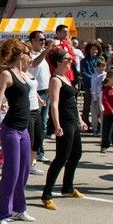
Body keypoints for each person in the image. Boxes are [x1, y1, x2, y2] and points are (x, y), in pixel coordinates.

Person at [0, 38, 32, 224]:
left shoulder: (22, 73)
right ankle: (0, 216)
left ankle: (18, 209)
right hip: (11, 129)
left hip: (24, 129)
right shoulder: (6, 74)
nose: (28, 55)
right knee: (11, 172)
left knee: (24, 170)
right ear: (19, 54)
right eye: (26, 52)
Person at [42, 47, 88, 208]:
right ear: (59, 62)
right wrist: (56, 125)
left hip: (73, 121)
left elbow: (73, 104)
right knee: (61, 157)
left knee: (76, 155)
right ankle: (46, 194)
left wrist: (81, 120)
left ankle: (67, 187)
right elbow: (53, 105)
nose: (71, 61)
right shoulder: (55, 79)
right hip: (64, 123)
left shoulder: (66, 78)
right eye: (68, 59)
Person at [27, 31, 51, 161]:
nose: (43, 42)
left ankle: (39, 151)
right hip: (37, 93)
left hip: (45, 91)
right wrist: (46, 50)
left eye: (44, 39)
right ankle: (37, 153)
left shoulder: (41, 54)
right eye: (40, 39)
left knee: (43, 124)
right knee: (38, 125)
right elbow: (34, 63)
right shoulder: (30, 54)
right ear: (32, 41)